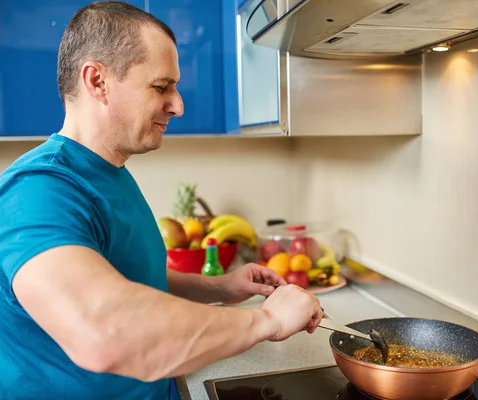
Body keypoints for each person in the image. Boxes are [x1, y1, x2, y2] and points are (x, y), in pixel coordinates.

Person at [0, 2, 323, 400]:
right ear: (97, 81)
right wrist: (269, 321)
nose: (178, 104)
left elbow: (129, 277)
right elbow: (105, 332)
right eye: (160, 86)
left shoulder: (109, 172)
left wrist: (217, 287)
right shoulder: (39, 190)